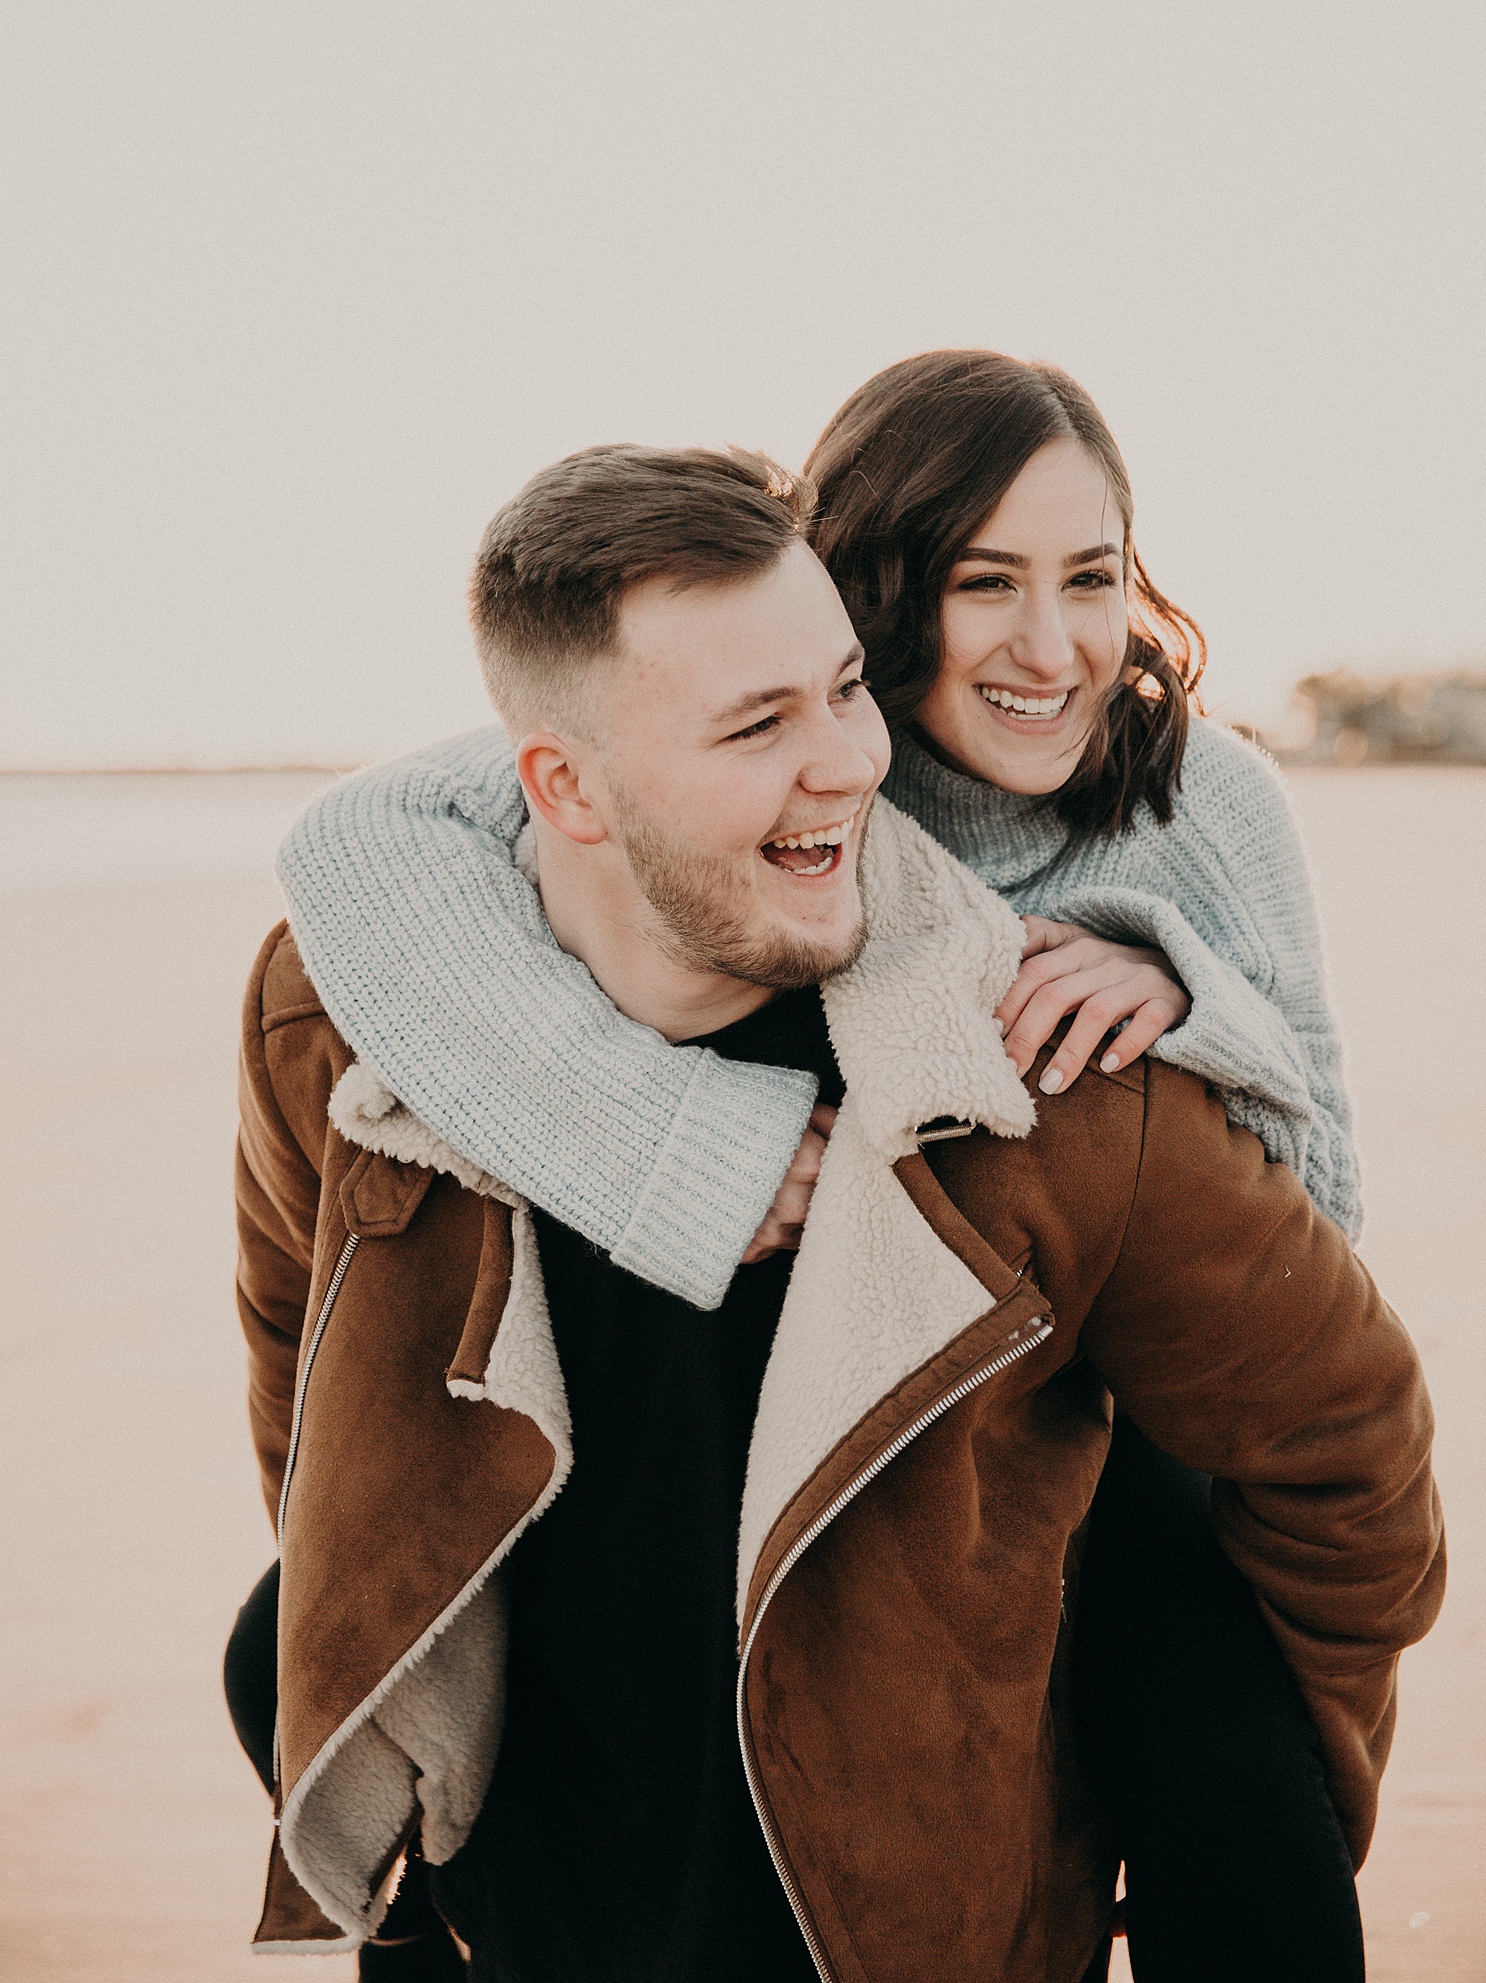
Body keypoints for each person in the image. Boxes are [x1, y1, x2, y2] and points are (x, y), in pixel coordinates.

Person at [229, 442, 1442, 1983]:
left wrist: (1235, 1789)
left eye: (848, 689)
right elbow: (308, 1389)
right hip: (505, 1923)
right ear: (560, 785)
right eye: (756, 724)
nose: (853, 764)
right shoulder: (338, 1027)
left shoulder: (1051, 1077)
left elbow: (1351, 1459)